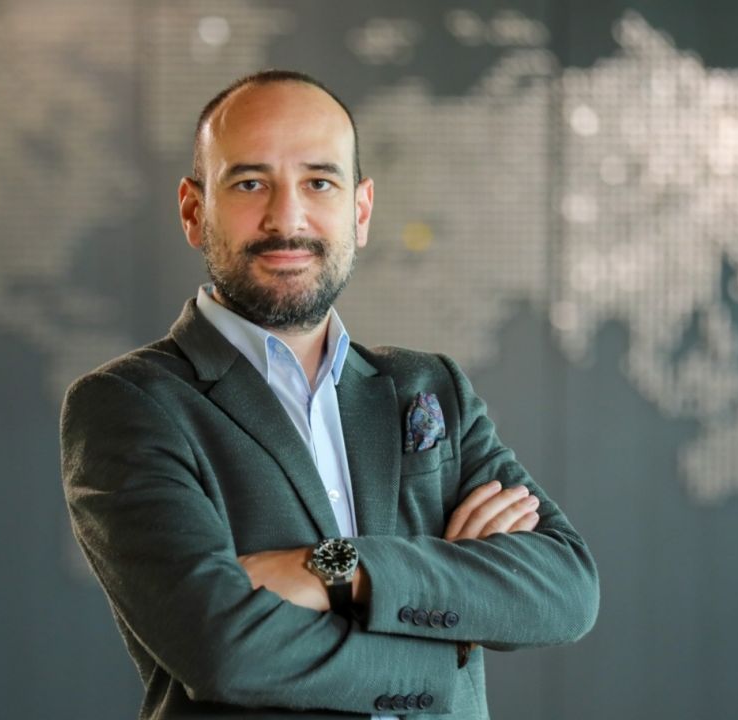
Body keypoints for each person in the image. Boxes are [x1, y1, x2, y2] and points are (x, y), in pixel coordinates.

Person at [60, 69, 599, 719]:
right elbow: (222, 647)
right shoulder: (129, 405)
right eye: (250, 182)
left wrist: (335, 570)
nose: (287, 218)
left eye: (319, 182)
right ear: (194, 211)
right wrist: (446, 628)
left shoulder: (429, 388)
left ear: (360, 210)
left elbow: (565, 589)